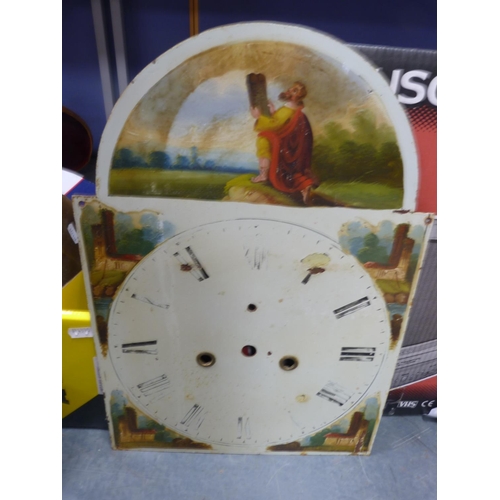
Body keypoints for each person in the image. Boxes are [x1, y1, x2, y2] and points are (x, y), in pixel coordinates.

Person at [250, 82, 317, 204]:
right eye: (291, 88)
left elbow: (274, 125)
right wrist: (273, 111)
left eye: (294, 91)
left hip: (284, 145)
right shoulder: (294, 109)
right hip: (290, 146)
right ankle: (304, 187)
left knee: (263, 139)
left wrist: (259, 117)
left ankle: (263, 175)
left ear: (298, 97)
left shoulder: (288, 109)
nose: (290, 91)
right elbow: (281, 122)